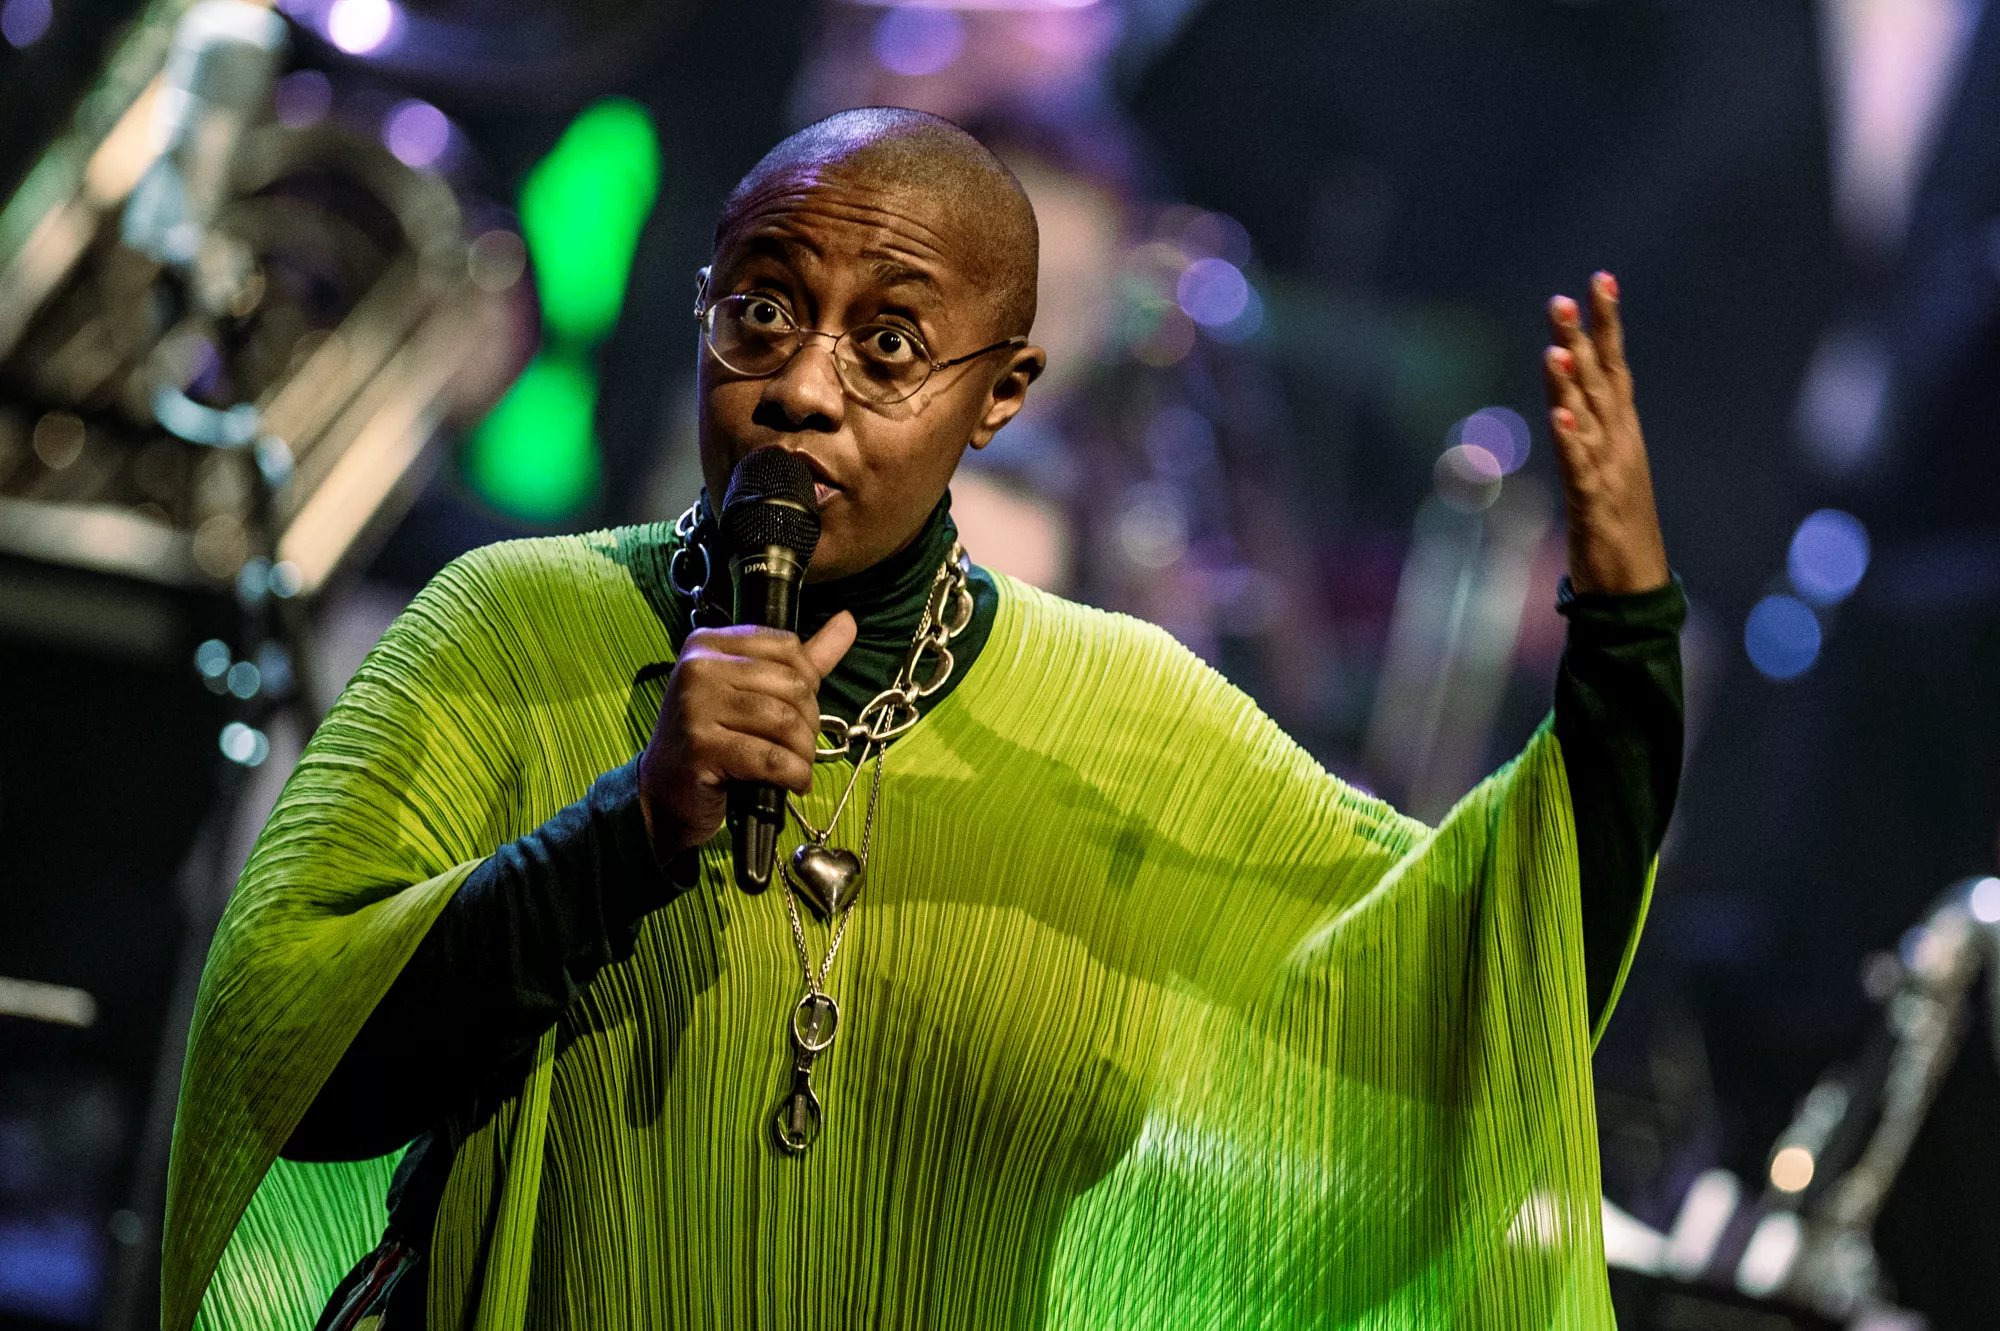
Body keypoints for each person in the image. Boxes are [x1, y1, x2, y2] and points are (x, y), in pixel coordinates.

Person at [164, 107, 1683, 1330]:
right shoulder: (514, 626)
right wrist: (627, 831)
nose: (801, 387)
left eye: (888, 345)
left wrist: (1623, 650)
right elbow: (284, 1060)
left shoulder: (1131, 726)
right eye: (762, 313)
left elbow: (1484, 980)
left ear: (1002, 393)